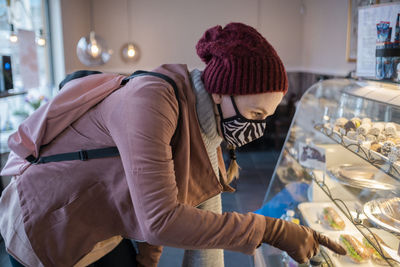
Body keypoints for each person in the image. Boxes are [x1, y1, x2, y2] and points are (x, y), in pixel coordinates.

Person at [0, 22, 346, 267]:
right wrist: (273, 230)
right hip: (47, 221)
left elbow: (192, 211)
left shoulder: (206, 125)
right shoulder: (152, 101)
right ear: (222, 92)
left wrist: (149, 258)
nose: (257, 127)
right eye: (254, 112)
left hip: (106, 222)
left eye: (265, 117)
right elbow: (161, 219)